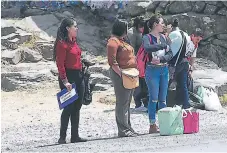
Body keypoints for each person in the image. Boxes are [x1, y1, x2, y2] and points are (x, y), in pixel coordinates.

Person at [53, 18, 87, 144]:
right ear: (68, 28)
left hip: (79, 75)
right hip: (68, 77)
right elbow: (60, 64)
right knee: (68, 107)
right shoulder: (62, 44)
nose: (77, 29)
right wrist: (65, 81)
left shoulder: (74, 42)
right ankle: (62, 137)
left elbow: (75, 57)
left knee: (77, 106)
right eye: (75, 26)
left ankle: (75, 136)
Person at [142, 14, 173, 133]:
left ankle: (163, 123)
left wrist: (161, 59)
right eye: (162, 23)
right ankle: (152, 124)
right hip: (152, 70)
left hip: (163, 69)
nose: (164, 25)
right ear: (155, 24)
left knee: (163, 98)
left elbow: (170, 54)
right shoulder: (147, 37)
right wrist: (163, 45)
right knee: (153, 98)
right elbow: (147, 48)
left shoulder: (164, 37)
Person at [107, 20, 138, 137]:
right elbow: (112, 61)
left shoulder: (122, 41)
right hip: (121, 74)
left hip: (129, 74)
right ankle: (123, 129)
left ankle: (128, 127)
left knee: (127, 102)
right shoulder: (113, 42)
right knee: (122, 102)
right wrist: (121, 74)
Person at [168, 28, 203, 109]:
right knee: (177, 84)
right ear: (193, 35)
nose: (198, 41)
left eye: (199, 40)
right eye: (197, 39)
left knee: (179, 84)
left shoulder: (194, 44)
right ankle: (181, 103)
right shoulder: (185, 39)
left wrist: (190, 69)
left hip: (182, 64)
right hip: (179, 62)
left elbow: (193, 58)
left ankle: (184, 104)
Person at [128, 17, 148, 112]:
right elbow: (131, 49)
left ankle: (144, 102)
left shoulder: (143, 32)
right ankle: (138, 103)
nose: (142, 29)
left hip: (143, 61)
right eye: (141, 27)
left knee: (143, 83)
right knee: (136, 84)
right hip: (134, 61)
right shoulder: (131, 33)